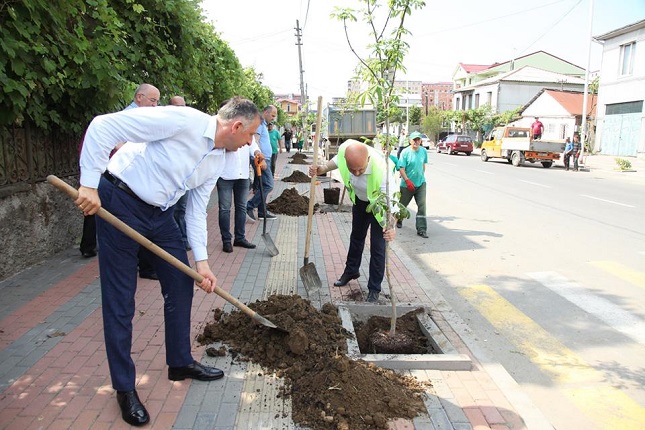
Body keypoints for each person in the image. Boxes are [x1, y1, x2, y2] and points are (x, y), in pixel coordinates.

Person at [76, 97, 262, 427]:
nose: (251, 143)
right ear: (236, 127)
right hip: (120, 200)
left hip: (159, 216)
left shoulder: (218, 160)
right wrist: (89, 183)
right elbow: (103, 126)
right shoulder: (183, 121)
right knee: (121, 300)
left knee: (181, 282)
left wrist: (202, 263)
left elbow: (193, 210)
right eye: (250, 136)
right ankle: (124, 387)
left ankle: (179, 361)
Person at [308, 140, 397, 303]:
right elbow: (333, 163)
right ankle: (351, 271)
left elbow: (393, 203)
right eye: (352, 170)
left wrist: (392, 226)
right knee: (356, 237)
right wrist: (320, 169)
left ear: (368, 160)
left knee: (377, 247)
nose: (356, 173)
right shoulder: (344, 151)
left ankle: (374, 288)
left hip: (379, 206)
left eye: (360, 170)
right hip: (361, 202)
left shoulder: (382, 169)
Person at [125, 84, 162, 279]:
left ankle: (146, 266)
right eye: (152, 100)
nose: (156, 105)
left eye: (157, 101)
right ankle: (140, 266)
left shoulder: (148, 118)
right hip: (128, 184)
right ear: (139, 97)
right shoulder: (128, 117)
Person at [247, 105, 278, 222]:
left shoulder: (263, 124)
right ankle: (249, 206)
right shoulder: (259, 124)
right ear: (266, 112)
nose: (273, 118)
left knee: (262, 185)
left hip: (265, 159)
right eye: (273, 115)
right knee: (269, 185)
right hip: (261, 160)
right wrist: (261, 159)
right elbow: (255, 141)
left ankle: (262, 212)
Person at [396, 131, 428, 238]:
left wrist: (421, 177)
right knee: (403, 205)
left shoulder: (423, 151)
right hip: (407, 185)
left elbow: (423, 165)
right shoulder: (405, 152)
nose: (416, 142)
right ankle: (399, 219)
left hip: (420, 184)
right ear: (410, 141)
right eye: (414, 140)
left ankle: (422, 229)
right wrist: (407, 180)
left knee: (422, 206)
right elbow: (401, 168)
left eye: (418, 139)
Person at [168, 95, 190, 250]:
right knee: (169, 210)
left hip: (184, 176)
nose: (181, 110)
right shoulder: (165, 125)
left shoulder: (189, 127)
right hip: (168, 177)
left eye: (183, 106)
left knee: (181, 209)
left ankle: (183, 239)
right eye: (177, 106)